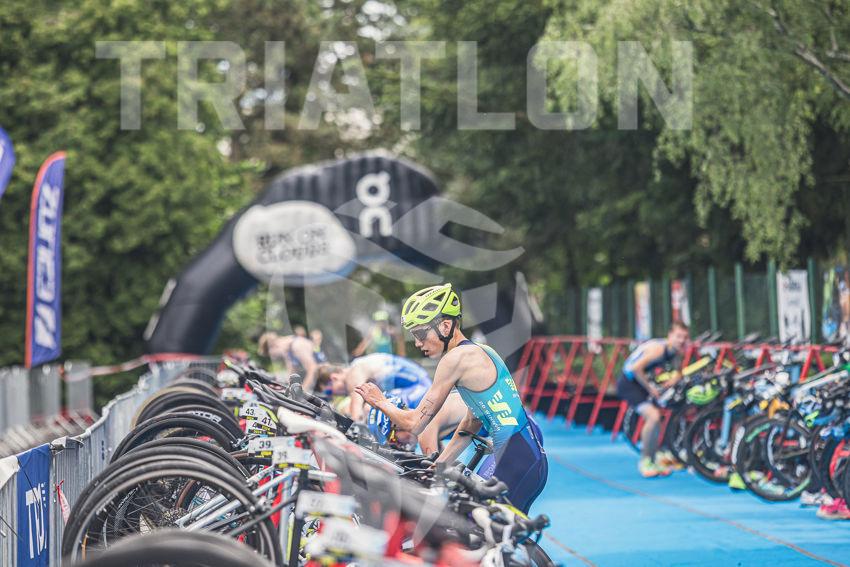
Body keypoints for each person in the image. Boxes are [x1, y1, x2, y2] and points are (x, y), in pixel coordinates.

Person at [355, 283, 548, 514]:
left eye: (420, 334)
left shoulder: (454, 360)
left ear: (446, 325)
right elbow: (471, 423)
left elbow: (415, 424)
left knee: (474, 527)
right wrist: (439, 466)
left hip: (514, 459)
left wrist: (380, 401)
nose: (417, 343)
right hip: (528, 455)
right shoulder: (482, 350)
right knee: (498, 529)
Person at [616, 321, 689, 478]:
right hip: (628, 383)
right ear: (670, 335)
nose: (681, 340)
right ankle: (645, 461)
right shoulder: (658, 349)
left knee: (657, 418)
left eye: (684, 337)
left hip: (639, 383)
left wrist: (672, 380)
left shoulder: (676, 352)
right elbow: (636, 369)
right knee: (653, 417)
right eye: (678, 336)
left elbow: (678, 372)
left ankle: (654, 458)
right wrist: (651, 388)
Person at [316, 353, 432, 421]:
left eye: (330, 392)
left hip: (419, 386)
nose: (335, 395)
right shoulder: (358, 366)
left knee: (370, 410)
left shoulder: (353, 373)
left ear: (334, 378)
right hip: (418, 385)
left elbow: (356, 414)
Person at [258, 331, 322, 391]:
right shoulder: (287, 350)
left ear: (274, 346)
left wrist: (303, 389)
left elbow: (313, 368)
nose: (275, 357)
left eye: (273, 355)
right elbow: (292, 372)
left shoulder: (297, 345)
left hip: (324, 377)